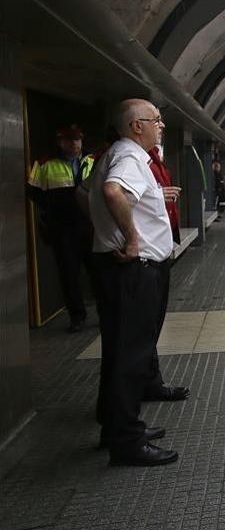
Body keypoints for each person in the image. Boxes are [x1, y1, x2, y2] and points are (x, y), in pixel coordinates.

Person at [89, 99, 183, 466]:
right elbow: (113, 193)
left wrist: (105, 231)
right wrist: (129, 238)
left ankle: (115, 427)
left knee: (119, 353)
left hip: (124, 270)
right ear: (135, 127)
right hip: (135, 271)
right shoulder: (128, 158)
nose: (161, 126)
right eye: (155, 120)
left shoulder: (117, 155)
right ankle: (126, 442)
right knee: (132, 356)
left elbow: (87, 195)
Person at [27, 125, 97, 331]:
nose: (74, 144)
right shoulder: (44, 164)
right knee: (69, 274)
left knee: (99, 272)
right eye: (69, 140)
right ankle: (77, 317)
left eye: (77, 140)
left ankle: (105, 312)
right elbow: (32, 190)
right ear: (60, 143)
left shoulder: (93, 161)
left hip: (91, 226)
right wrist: (53, 208)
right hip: (63, 228)